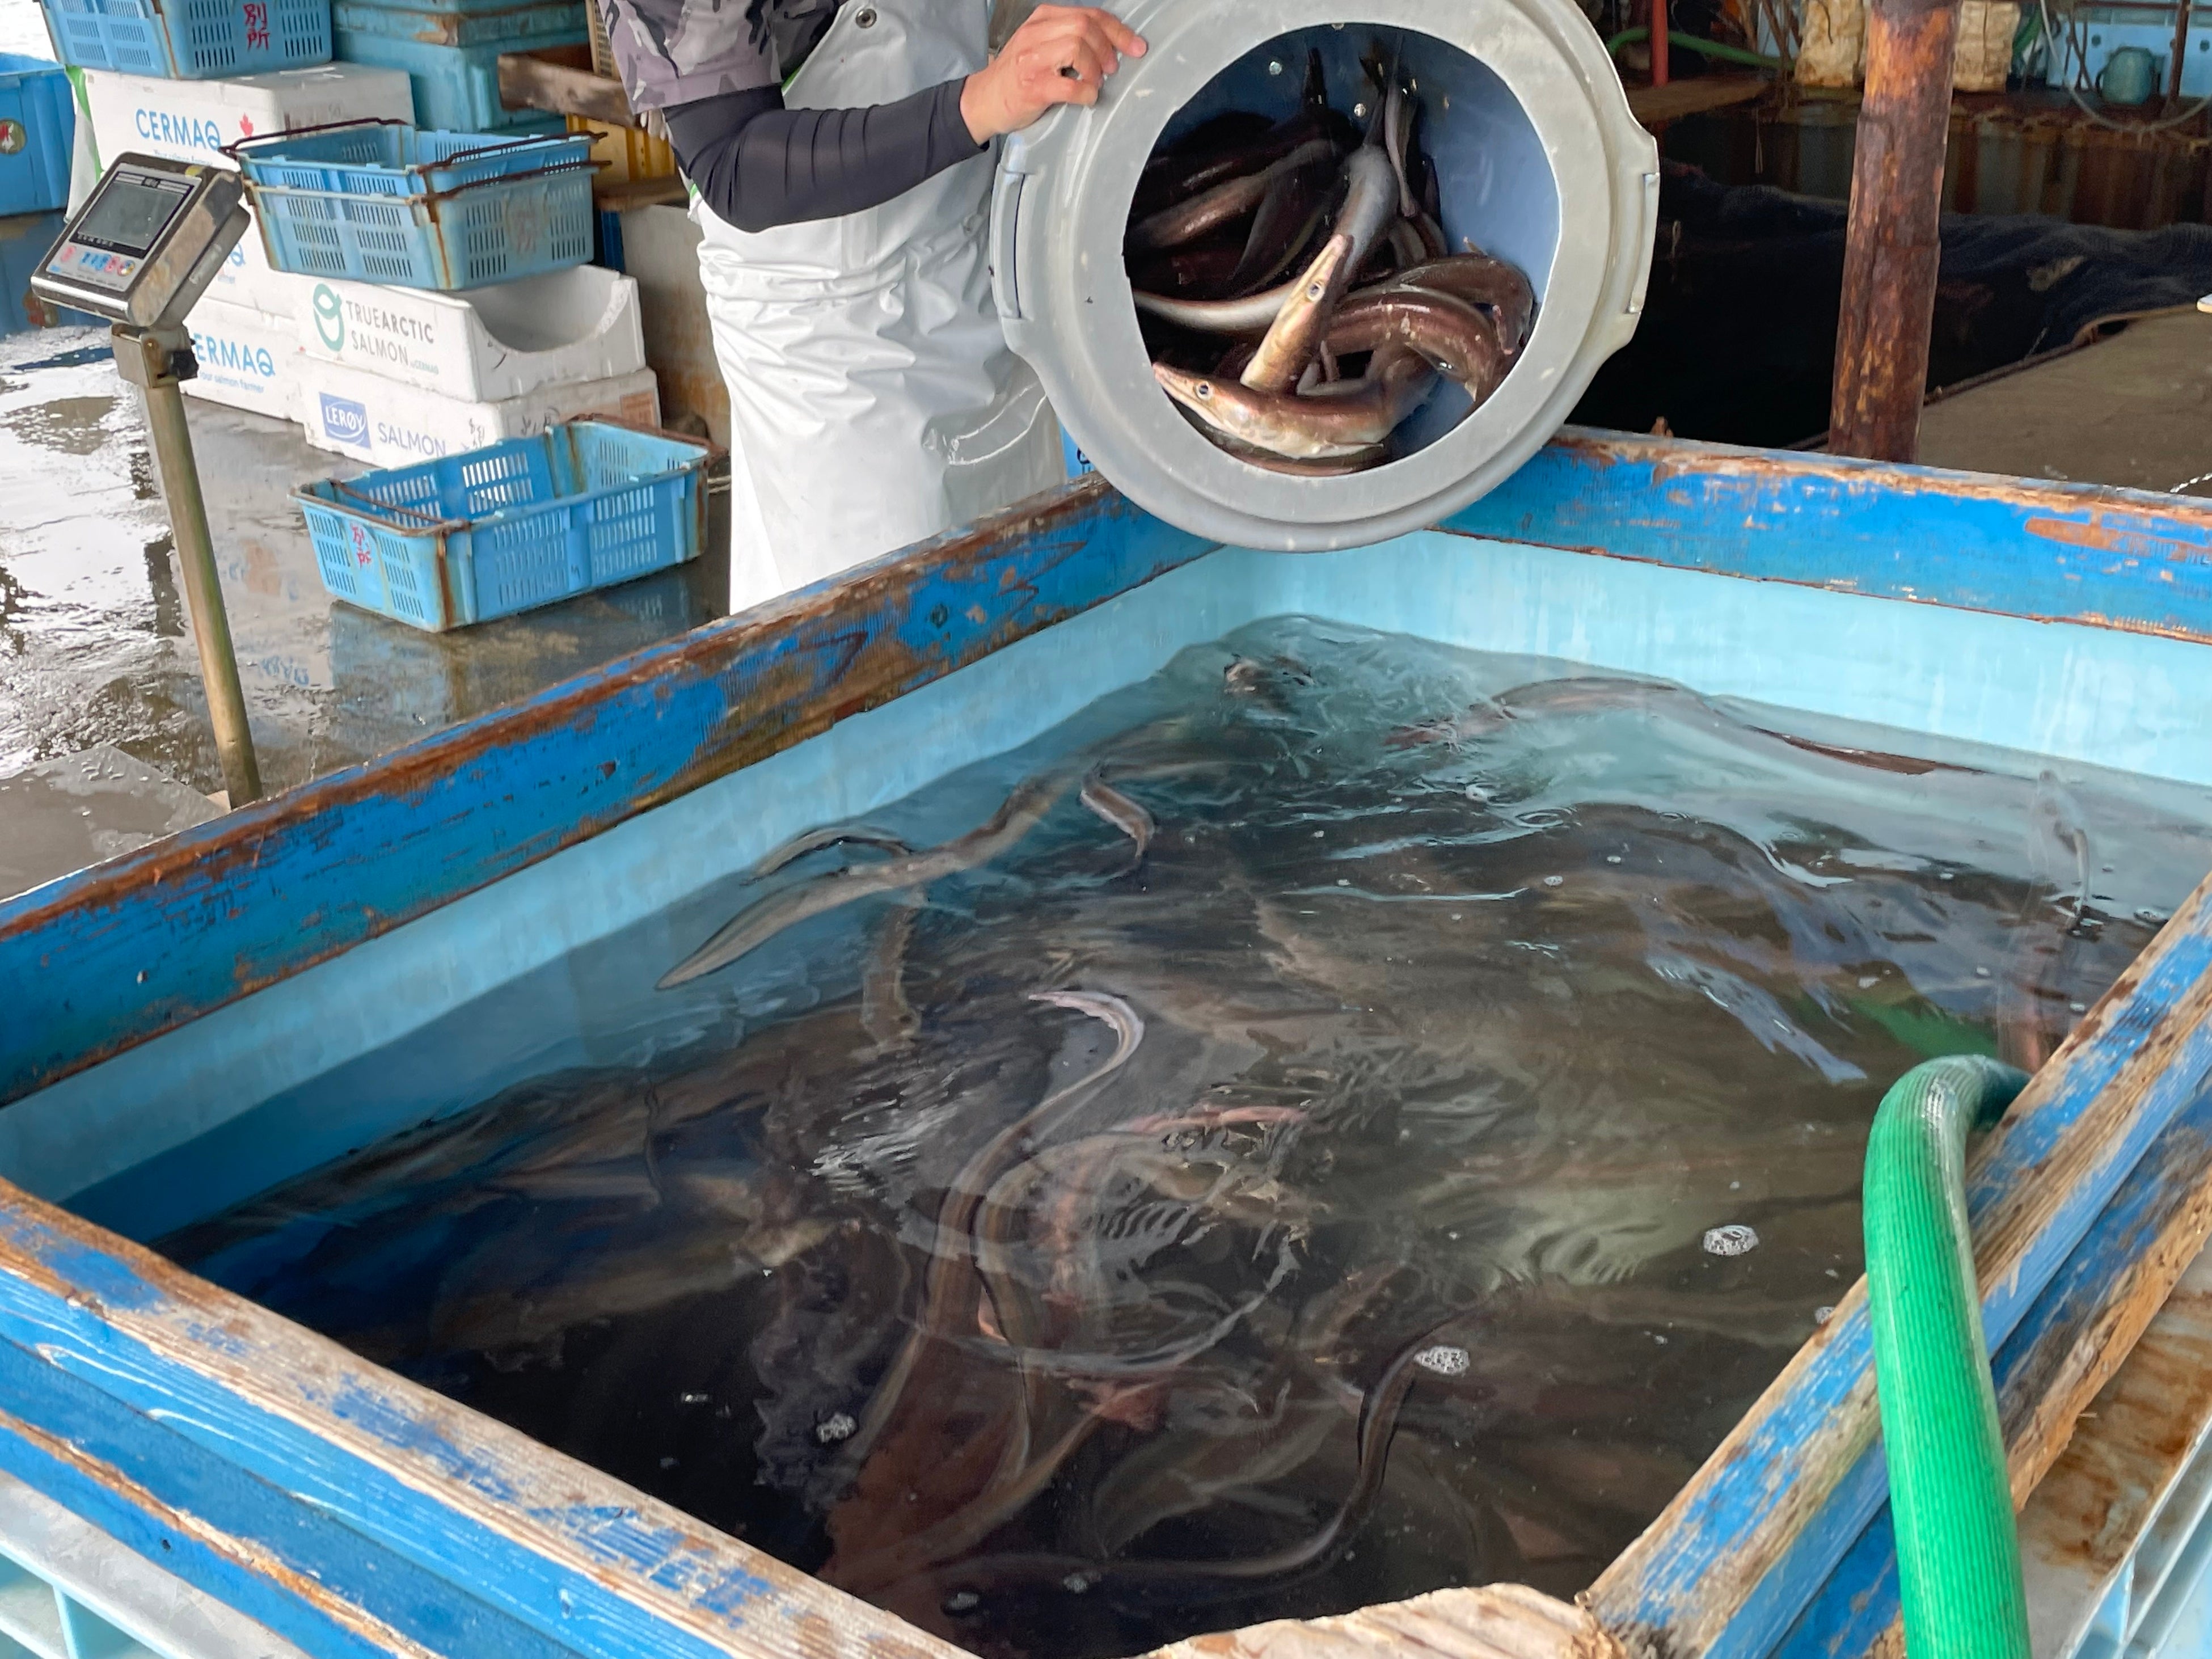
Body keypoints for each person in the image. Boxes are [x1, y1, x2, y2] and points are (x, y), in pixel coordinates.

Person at [593, 0, 1145, 611]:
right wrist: (983, 101)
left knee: (1032, 599)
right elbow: (732, 164)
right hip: (834, 348)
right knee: (887, 636)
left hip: (970, 265)